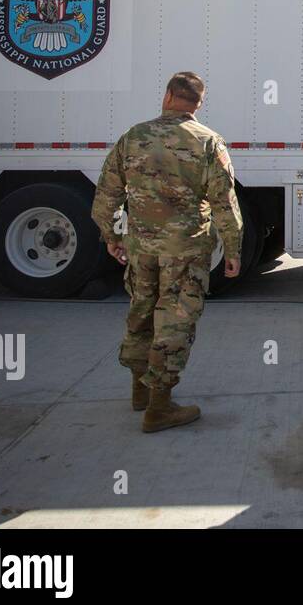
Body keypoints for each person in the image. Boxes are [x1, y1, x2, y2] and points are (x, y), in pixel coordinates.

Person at [91, 71, 242, 433]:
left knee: (141, 313)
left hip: (141, 248)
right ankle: (159, 407)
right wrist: (233, 249)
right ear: (199, 104)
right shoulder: (208, 142)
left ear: (168, 96)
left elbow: (107, 193)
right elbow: (224, 201)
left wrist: (110, 235)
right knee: (174, 320)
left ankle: (139, 392)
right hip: (185, 250)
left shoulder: (134, 137)